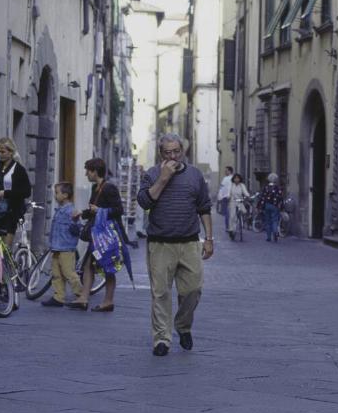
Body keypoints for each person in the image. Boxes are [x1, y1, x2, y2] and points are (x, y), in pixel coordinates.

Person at [137, 133, 213, 357]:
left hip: (189, 243)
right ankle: (162, 338)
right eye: (168, 152)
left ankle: (182, 325)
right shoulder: (151, 174)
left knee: (193, 290)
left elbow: (204, 208)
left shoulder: (195, 175)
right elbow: (144, 202)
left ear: (183, 152)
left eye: (176, 152)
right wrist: (163, 179)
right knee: (160, 293)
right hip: (160, 244)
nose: (173, 156)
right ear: (161, 153)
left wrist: (209, 239)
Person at [67, 158, 124, 312]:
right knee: (89, 265)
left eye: (88, 171)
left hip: (106, 235)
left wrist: (99, 211)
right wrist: (82, 214)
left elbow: (119, 210)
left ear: (95, 171)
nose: (86, 174)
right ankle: (84, 298)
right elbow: (93, 210)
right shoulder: (95, 188)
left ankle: (107, 301)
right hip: (96, 233)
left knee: (107, 267)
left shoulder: (109, 188)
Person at [41, 182, 83, 307]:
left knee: (69, 273)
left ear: (65, 195)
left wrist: (75, 222)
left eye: (57, 193)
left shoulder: (71, 211)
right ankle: (59, 297)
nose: (55, 195)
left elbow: (77, 230)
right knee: (56, 274)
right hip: (56, 247)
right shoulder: (59, 210)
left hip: (66, 248)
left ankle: (81, 295)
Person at [0, 137, 31, 247]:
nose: (0, 154)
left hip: (10, 212)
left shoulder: (18, 169)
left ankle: (8, 264)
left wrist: (6, 193)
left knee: (4, 249)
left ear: (11, 152)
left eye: (3, 151)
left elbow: (26, 191)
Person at [258, 173, 283, 242]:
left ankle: (268, 237)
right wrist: (281, 206)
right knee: (275, 220)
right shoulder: (277, 188)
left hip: (267, 205)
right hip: (275, 206)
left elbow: (262, 197)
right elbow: (280, 197)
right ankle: (275, 232)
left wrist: (259, 206)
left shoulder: (266, 187)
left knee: (268, 221)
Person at [227, 173, 250, 240]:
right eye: (235, 178)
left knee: (244, 211)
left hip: (240, 201)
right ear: (233, 179)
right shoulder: (231, 185)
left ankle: (242, 221)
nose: (236, 179)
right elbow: (228, 192)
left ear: (240, 179)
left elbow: (245, 192)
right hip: (233, 202)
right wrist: (228, 196)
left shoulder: (242, 185)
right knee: (232, 216)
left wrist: (247, 196)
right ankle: (231, 230)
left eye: (238, 178)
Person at [217, 166, 234, 234]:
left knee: (227, 213)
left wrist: (219, 198)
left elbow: (221, 188)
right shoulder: (234, 178)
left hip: (226, 198)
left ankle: (228, 227)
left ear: (230, 171)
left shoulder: (225, 179)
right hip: (233, 197)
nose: (225, 172)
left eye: (226, 171)